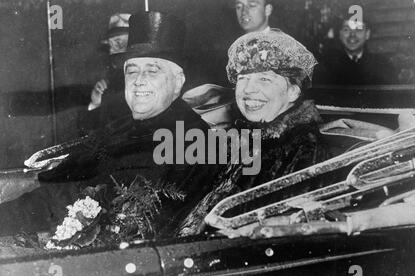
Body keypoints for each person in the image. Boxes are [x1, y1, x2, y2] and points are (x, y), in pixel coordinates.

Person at [0, 11, 216, 239]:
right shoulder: (121, 128)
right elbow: (60, 189)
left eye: (153, 70)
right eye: (131, 71)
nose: (139, 79)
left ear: (178, 83)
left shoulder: (191, 140)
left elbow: (138, 221)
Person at [178, 29, 331, 236]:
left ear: (293, 91)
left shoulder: (306, 147)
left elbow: (285, 229)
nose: (248, 90)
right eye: (243, 78)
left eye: (264, 80)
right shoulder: (238, 138)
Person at [83, 13, 132, 130]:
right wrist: (96, 104)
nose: (111, 51)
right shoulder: (110, 78)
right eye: (109, 45)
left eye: (118, 43)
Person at [315, 17, 398, 85]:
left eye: (358, 29)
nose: (352, 35)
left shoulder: (382, 66)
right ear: (340, 34)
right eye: (346, 30)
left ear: (367, 34)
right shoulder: (326, 66)